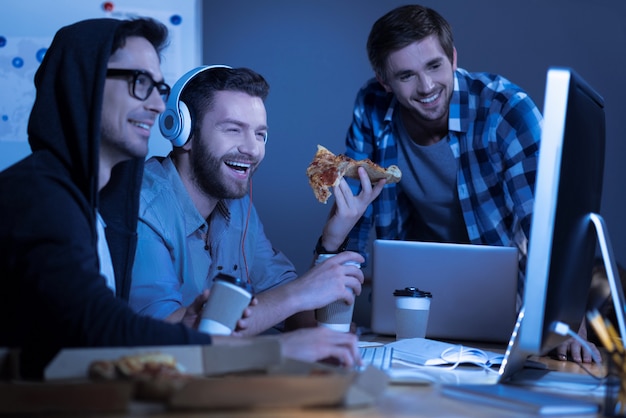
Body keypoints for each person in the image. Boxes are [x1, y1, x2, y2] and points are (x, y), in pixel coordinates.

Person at [0, 17, 360, 380]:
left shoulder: (82, 200)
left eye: (159, 87)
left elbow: (92, 331)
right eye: (140, 83)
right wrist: (276, 347)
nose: (158, 106)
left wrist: (190, 328)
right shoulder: (40, 196)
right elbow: (101, 333)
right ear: (84, 84)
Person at [317, 4, 599, 363]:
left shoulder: (506, 110)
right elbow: (353, 217)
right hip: (415, 299)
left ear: (452, 57)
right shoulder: (371, 105)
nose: (427, 87)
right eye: (406, 75)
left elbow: (546, 227)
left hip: (505, 296)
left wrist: (565, 322)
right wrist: (334, 323)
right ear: (384, 81)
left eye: (434, 66)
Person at [129, 65, 370, 335]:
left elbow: (300, 317)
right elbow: (161, 337)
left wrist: (331, 241)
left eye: (260, 134)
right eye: (233, 129)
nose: (253, 149)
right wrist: (297, 294)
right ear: (183, 132)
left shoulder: (237, 205)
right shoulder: (141, 207)